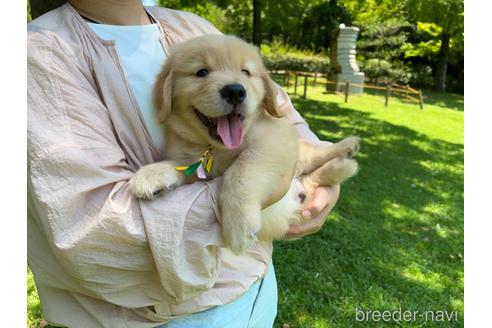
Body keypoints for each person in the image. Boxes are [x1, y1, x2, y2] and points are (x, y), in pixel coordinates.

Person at [27, 1, 340, 327]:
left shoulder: (193, 27)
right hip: (164, 318)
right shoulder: (39, 53)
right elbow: (91, 233)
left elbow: (278, 110)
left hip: (259, 288)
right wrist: (258, 187)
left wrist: (319, 171)